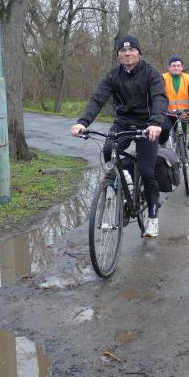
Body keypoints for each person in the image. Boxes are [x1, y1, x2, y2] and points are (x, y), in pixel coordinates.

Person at [70, 35, 169, 238]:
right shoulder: (113, 76)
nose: (127, 54)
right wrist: (82, 122)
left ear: (139, 53)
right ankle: (124, 181)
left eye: (131, 50)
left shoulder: (151, 73)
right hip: (123, 122)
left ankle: (152, 217)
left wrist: (156, 123)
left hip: (147, 124)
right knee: (108, 150)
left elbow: (159, 97)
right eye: (123, 51)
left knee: (147, 171)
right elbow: (98, 99)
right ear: (118, 55)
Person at [162, 54, 189, 142]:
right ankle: (161, 146)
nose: (176, 68)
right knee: (164, 130)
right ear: (169, 67)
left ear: (182, 67)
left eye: (178, 65)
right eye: (173, 66)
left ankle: (182, 149)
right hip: (167, 113)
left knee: (182, 136)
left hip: (183, 113)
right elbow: (157, 92)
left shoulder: (188, 78)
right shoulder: (163, 78)